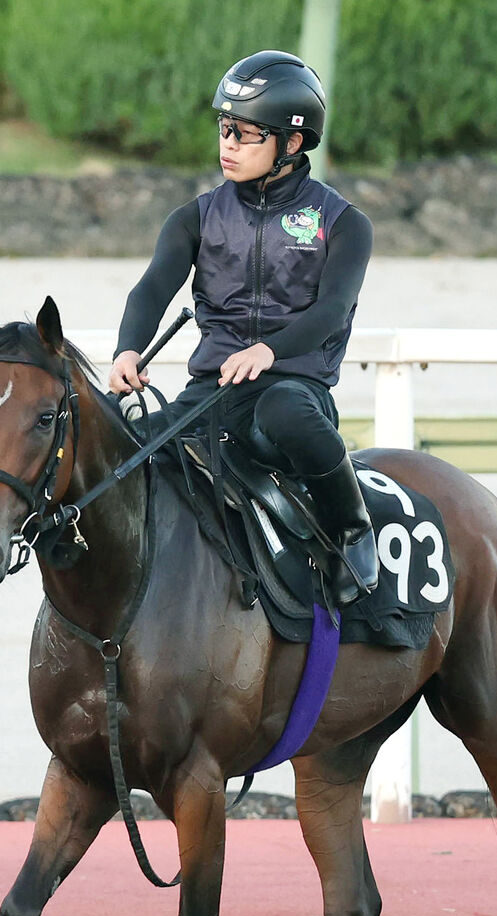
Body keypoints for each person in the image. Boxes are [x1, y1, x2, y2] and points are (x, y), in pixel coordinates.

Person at [108, 50, 377, 607]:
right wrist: (126, 350)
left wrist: (269, 351)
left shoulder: (346, 225)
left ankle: (352, 530)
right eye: (224, 129)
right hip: (211, 394)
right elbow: (153, 288)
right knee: (123, 447)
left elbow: (331, 313)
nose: (227, 144)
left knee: (284, 409)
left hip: (293, 392)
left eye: (245, 134)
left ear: (292, 143)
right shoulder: (193, 217)